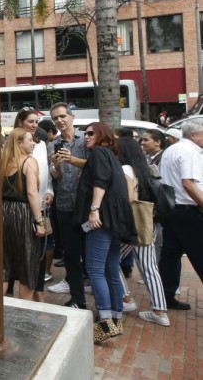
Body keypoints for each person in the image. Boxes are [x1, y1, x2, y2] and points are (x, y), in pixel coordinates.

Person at [76, 122, 137, 342]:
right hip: (113, 222)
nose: (86, 137)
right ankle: (115, 318)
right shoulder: (111, 156)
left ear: (102, 135)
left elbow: (100, 183)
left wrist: (94, 211)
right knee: (111, 269)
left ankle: (104, 322)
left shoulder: (100, 153)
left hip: (101, 220)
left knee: (95, 269)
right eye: (85, 134)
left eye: (91, 133)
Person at [116, 136, 170, 327]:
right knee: (150, 268)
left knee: (110, 260)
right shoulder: (145, 168)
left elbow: (129, 198)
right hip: (147, 222)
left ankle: (125, 299)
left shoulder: (125, 169)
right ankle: (160, 310)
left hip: (132, 225)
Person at [158, 118, 203, 311]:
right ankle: (166, 295)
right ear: (194, 135)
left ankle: (166, 295)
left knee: (171, 254)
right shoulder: (189, 151)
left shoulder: (171, 149)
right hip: (186, 210)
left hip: (171, 209)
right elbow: (188, 183)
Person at [47, 103, 89, 309]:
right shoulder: (52, 144)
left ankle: (107, 303)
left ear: (72, 117)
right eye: (55, 118)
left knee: (92, 255)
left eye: (63, 116)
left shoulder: (87, 140)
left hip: (88, 208)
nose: (59, 121)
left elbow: (95, 167)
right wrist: (56, 167)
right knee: (71, 255)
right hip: (64, 206)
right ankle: (78, 299)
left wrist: (71, 159)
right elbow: (55, 177)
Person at [1, 129, 47, 300]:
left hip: (3, 212)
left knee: (4, 264)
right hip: (23, 214)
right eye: (30, 140)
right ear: (19, 143)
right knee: (28, 261)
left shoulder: (3, 162)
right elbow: (32, 193)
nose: (33, 142)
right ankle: (23, 311)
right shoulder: (29, 162)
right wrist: (39, 221)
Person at [14, 108, 54, 300]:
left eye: (37, 121)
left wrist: (49, 190)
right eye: (31, 121)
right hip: (22, 207)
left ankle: (37, 292)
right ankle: (21, 298)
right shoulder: (13, 146)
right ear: (21, 122)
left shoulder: (41, 145)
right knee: (21, 255)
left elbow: (45, 174)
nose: (34, 125)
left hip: (41, 204)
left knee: (38, 252)